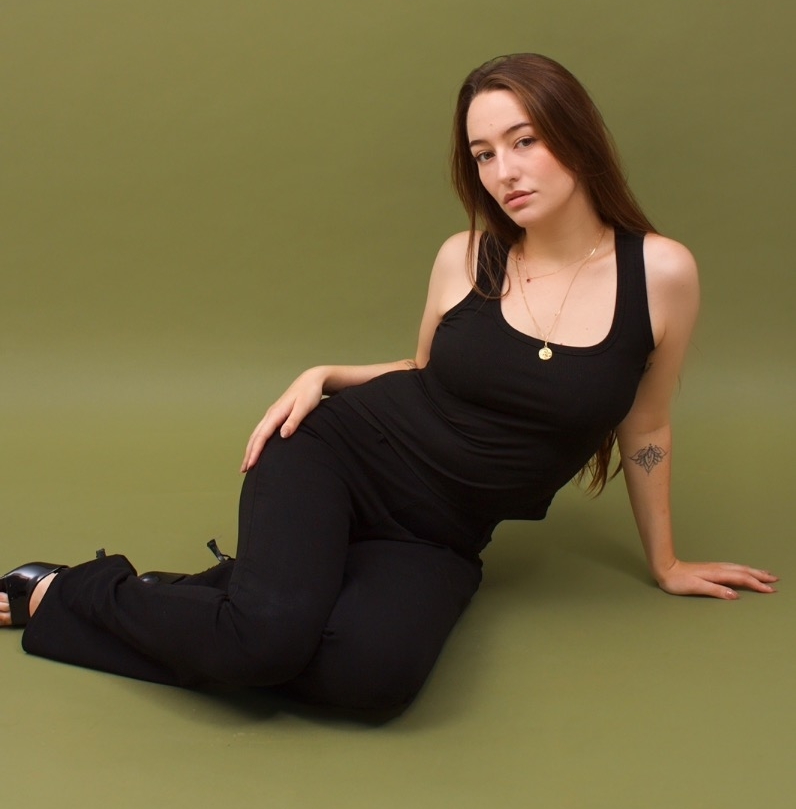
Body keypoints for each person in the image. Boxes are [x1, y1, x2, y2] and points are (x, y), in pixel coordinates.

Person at [1, 54, 777, 711]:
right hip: (339, 458)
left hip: (440, 534)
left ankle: (220, 603)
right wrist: (327, 375)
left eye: (524, 141)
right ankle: (67, 593)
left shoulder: (661, 274)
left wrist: (667, 563)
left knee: (373, 683)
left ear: (574, 134)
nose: (504, 172)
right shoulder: (466, 257)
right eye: (483, 154)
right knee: (265, 646)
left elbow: (646, 423)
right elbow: (429, 375)